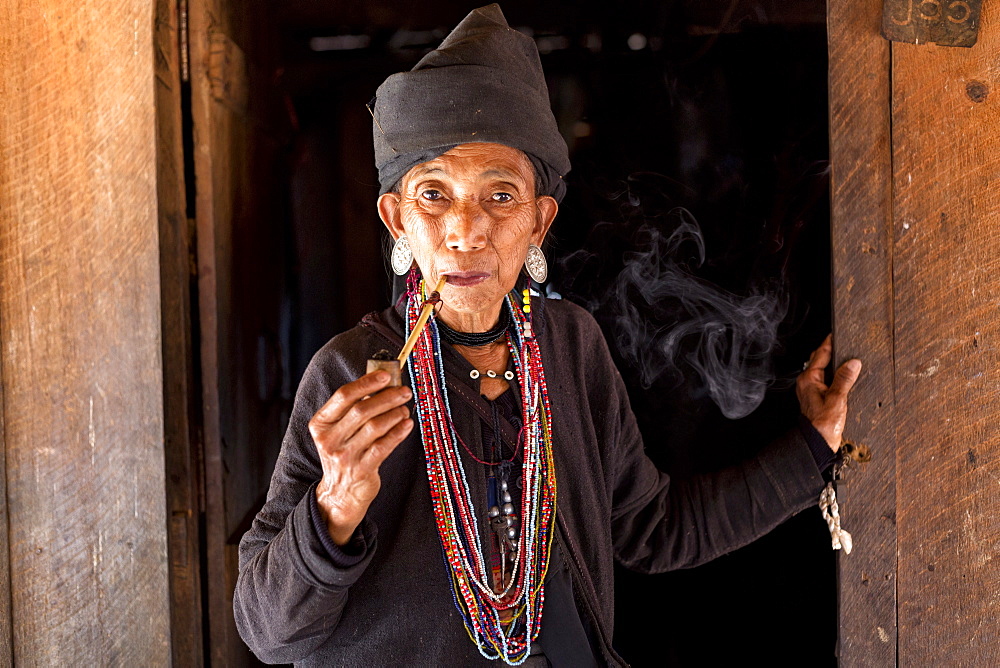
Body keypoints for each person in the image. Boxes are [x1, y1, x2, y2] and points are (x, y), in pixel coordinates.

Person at [233, 5, 862, 666]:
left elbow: (654, 528)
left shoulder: (569, 346)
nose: (466, 231)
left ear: (539, 222)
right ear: (396, 220)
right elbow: (270, 634)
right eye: (434, 194)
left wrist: (810, 450)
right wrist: (334, 507)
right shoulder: (348, 372)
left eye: (500, 197)